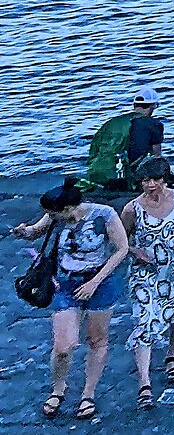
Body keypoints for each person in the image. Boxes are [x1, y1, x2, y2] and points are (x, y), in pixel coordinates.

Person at [12, 179, 131, 420]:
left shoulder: (104, 215)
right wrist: (24, 232)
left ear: (68, 209)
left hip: (100, 283)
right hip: (66, 283)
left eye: (53, 214)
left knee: (97, 340)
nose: (50, 217)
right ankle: (58, 389)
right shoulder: (55, 215)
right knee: (63, 346)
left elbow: (121, 249)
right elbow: (36, 231)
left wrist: (94, 282)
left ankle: (88, 393)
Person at [119, 158, 174, 409]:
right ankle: (144, 383)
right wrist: (135, 251)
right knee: (144, 321)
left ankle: (172, 351)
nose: (150, 185)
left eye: (155, 179)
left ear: (164, 179)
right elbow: (119, 240)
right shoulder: (132, 209)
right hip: (145, 272)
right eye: (146, 180)